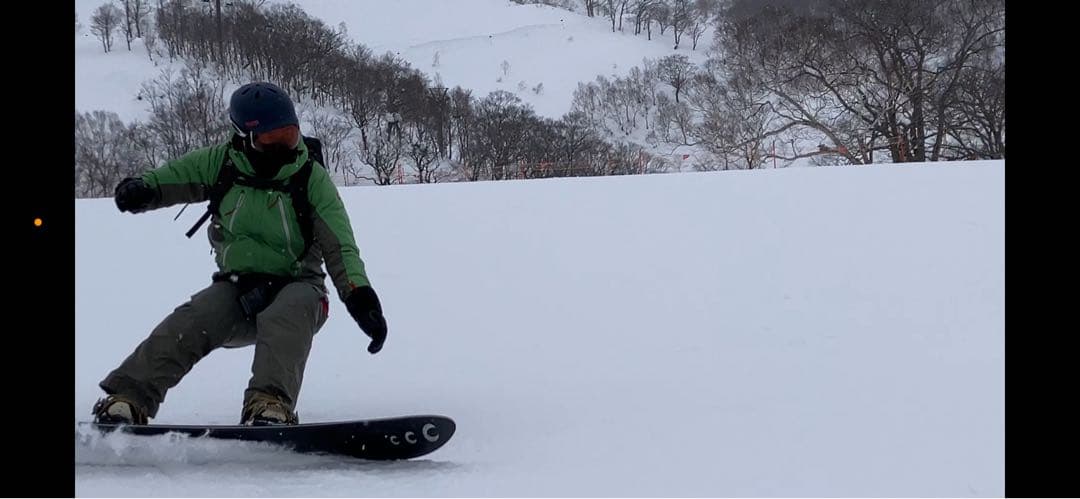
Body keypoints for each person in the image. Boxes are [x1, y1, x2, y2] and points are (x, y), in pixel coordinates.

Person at [91, 81, 388, 426]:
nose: (284, 147)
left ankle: (269, 404)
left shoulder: (311, 179)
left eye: (289, 136)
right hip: (238, 288)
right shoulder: (221, 163)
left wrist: (360, 298)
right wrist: (142, 189)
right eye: (271, 139)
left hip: (301, 287)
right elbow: (173, 177)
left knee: (287, 313)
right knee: (191, 320)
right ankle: (129, 398)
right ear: (246, 138)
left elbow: (341, 247)